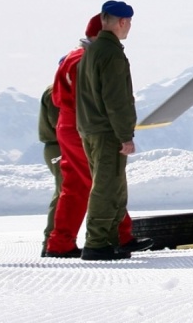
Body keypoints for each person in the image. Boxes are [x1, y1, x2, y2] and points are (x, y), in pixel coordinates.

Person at [45, 14, 144, 258]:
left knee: (78, 185)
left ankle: (60, 242)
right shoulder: (87, 59)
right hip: (88, 124)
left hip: (69, 125)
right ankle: (115, 237)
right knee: (105, 181)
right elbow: (100, 96)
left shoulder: (71, 57)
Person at [77, 0, 140, 261]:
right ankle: (97, 242)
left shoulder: (91, 51)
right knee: (107, 187)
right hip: (107, 132)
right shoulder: (111, 53)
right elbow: (116, 99)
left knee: (111, 185)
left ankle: (109, 240)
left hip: (90, 129)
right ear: (122, 22)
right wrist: (125, 134)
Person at [38, 83, 61, 257]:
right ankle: (51, 241)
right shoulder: (56, 91)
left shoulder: (56, 88)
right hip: (59, 146)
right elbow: (59, 122)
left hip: (59, 145)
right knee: (64, 192)